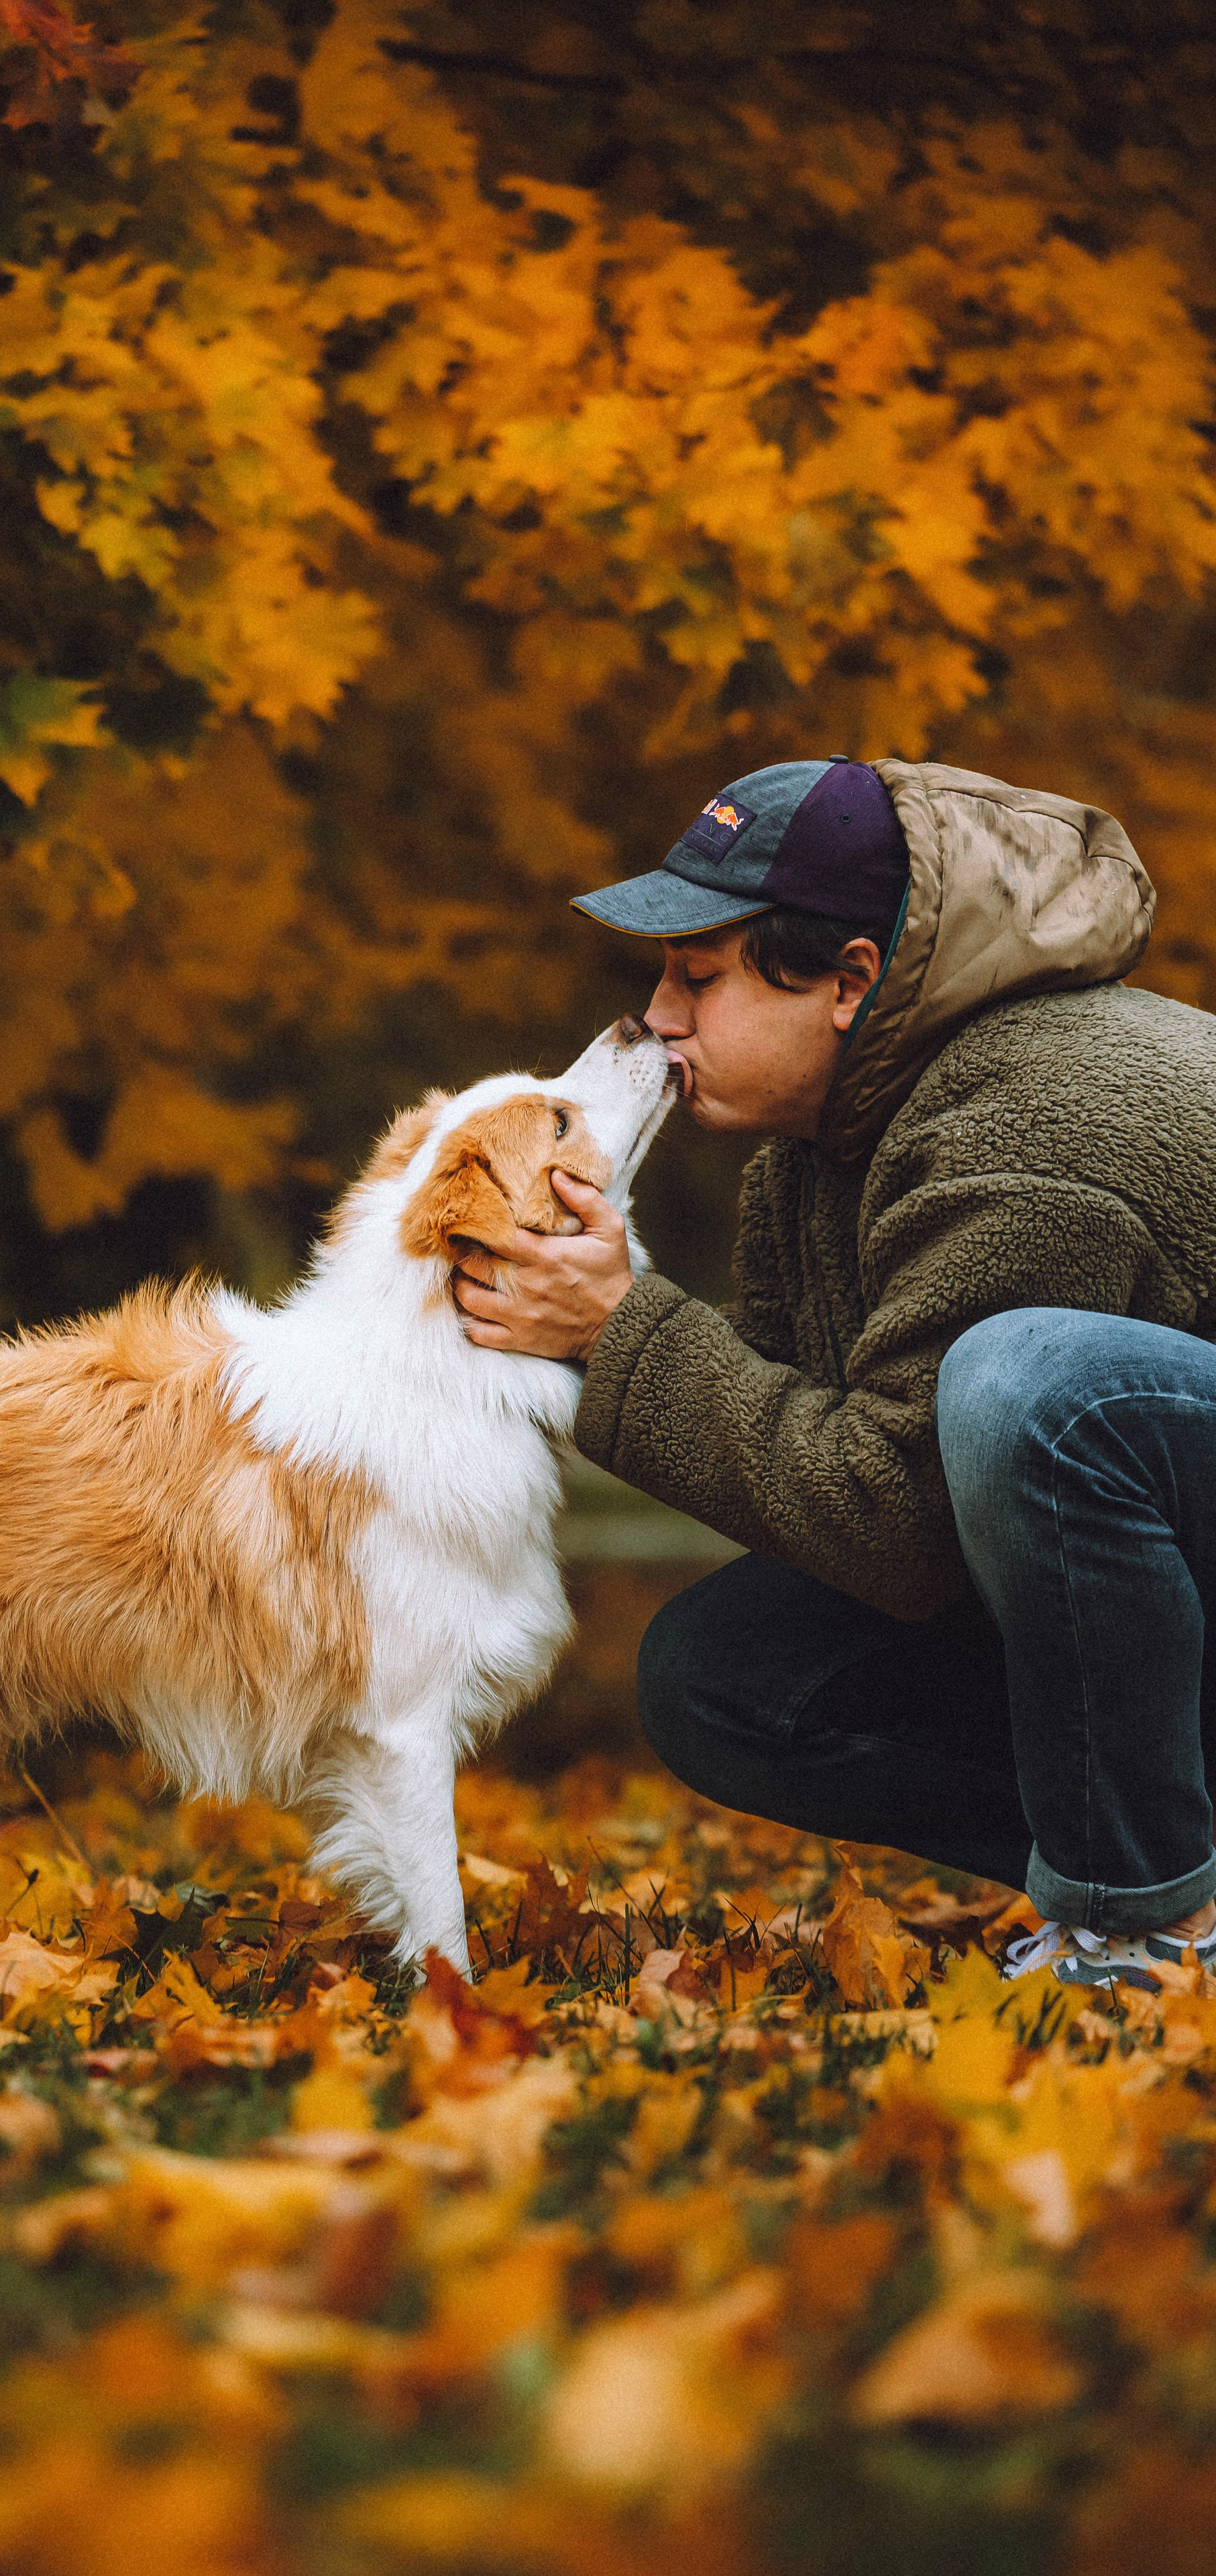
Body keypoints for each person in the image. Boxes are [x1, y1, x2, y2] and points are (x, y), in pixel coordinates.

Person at [451, 755, 1216, 1991]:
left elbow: (899, 1523)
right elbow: (823, 1448)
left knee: (1028, 1387)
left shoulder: (1032, 1124)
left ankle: (1152, 1923)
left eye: (698, 977)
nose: (659, 1016)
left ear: (851, 980)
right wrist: (594, 1334)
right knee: (729, 1674)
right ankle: (1179, 1861)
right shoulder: (832, 1144)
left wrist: (613, 1331)